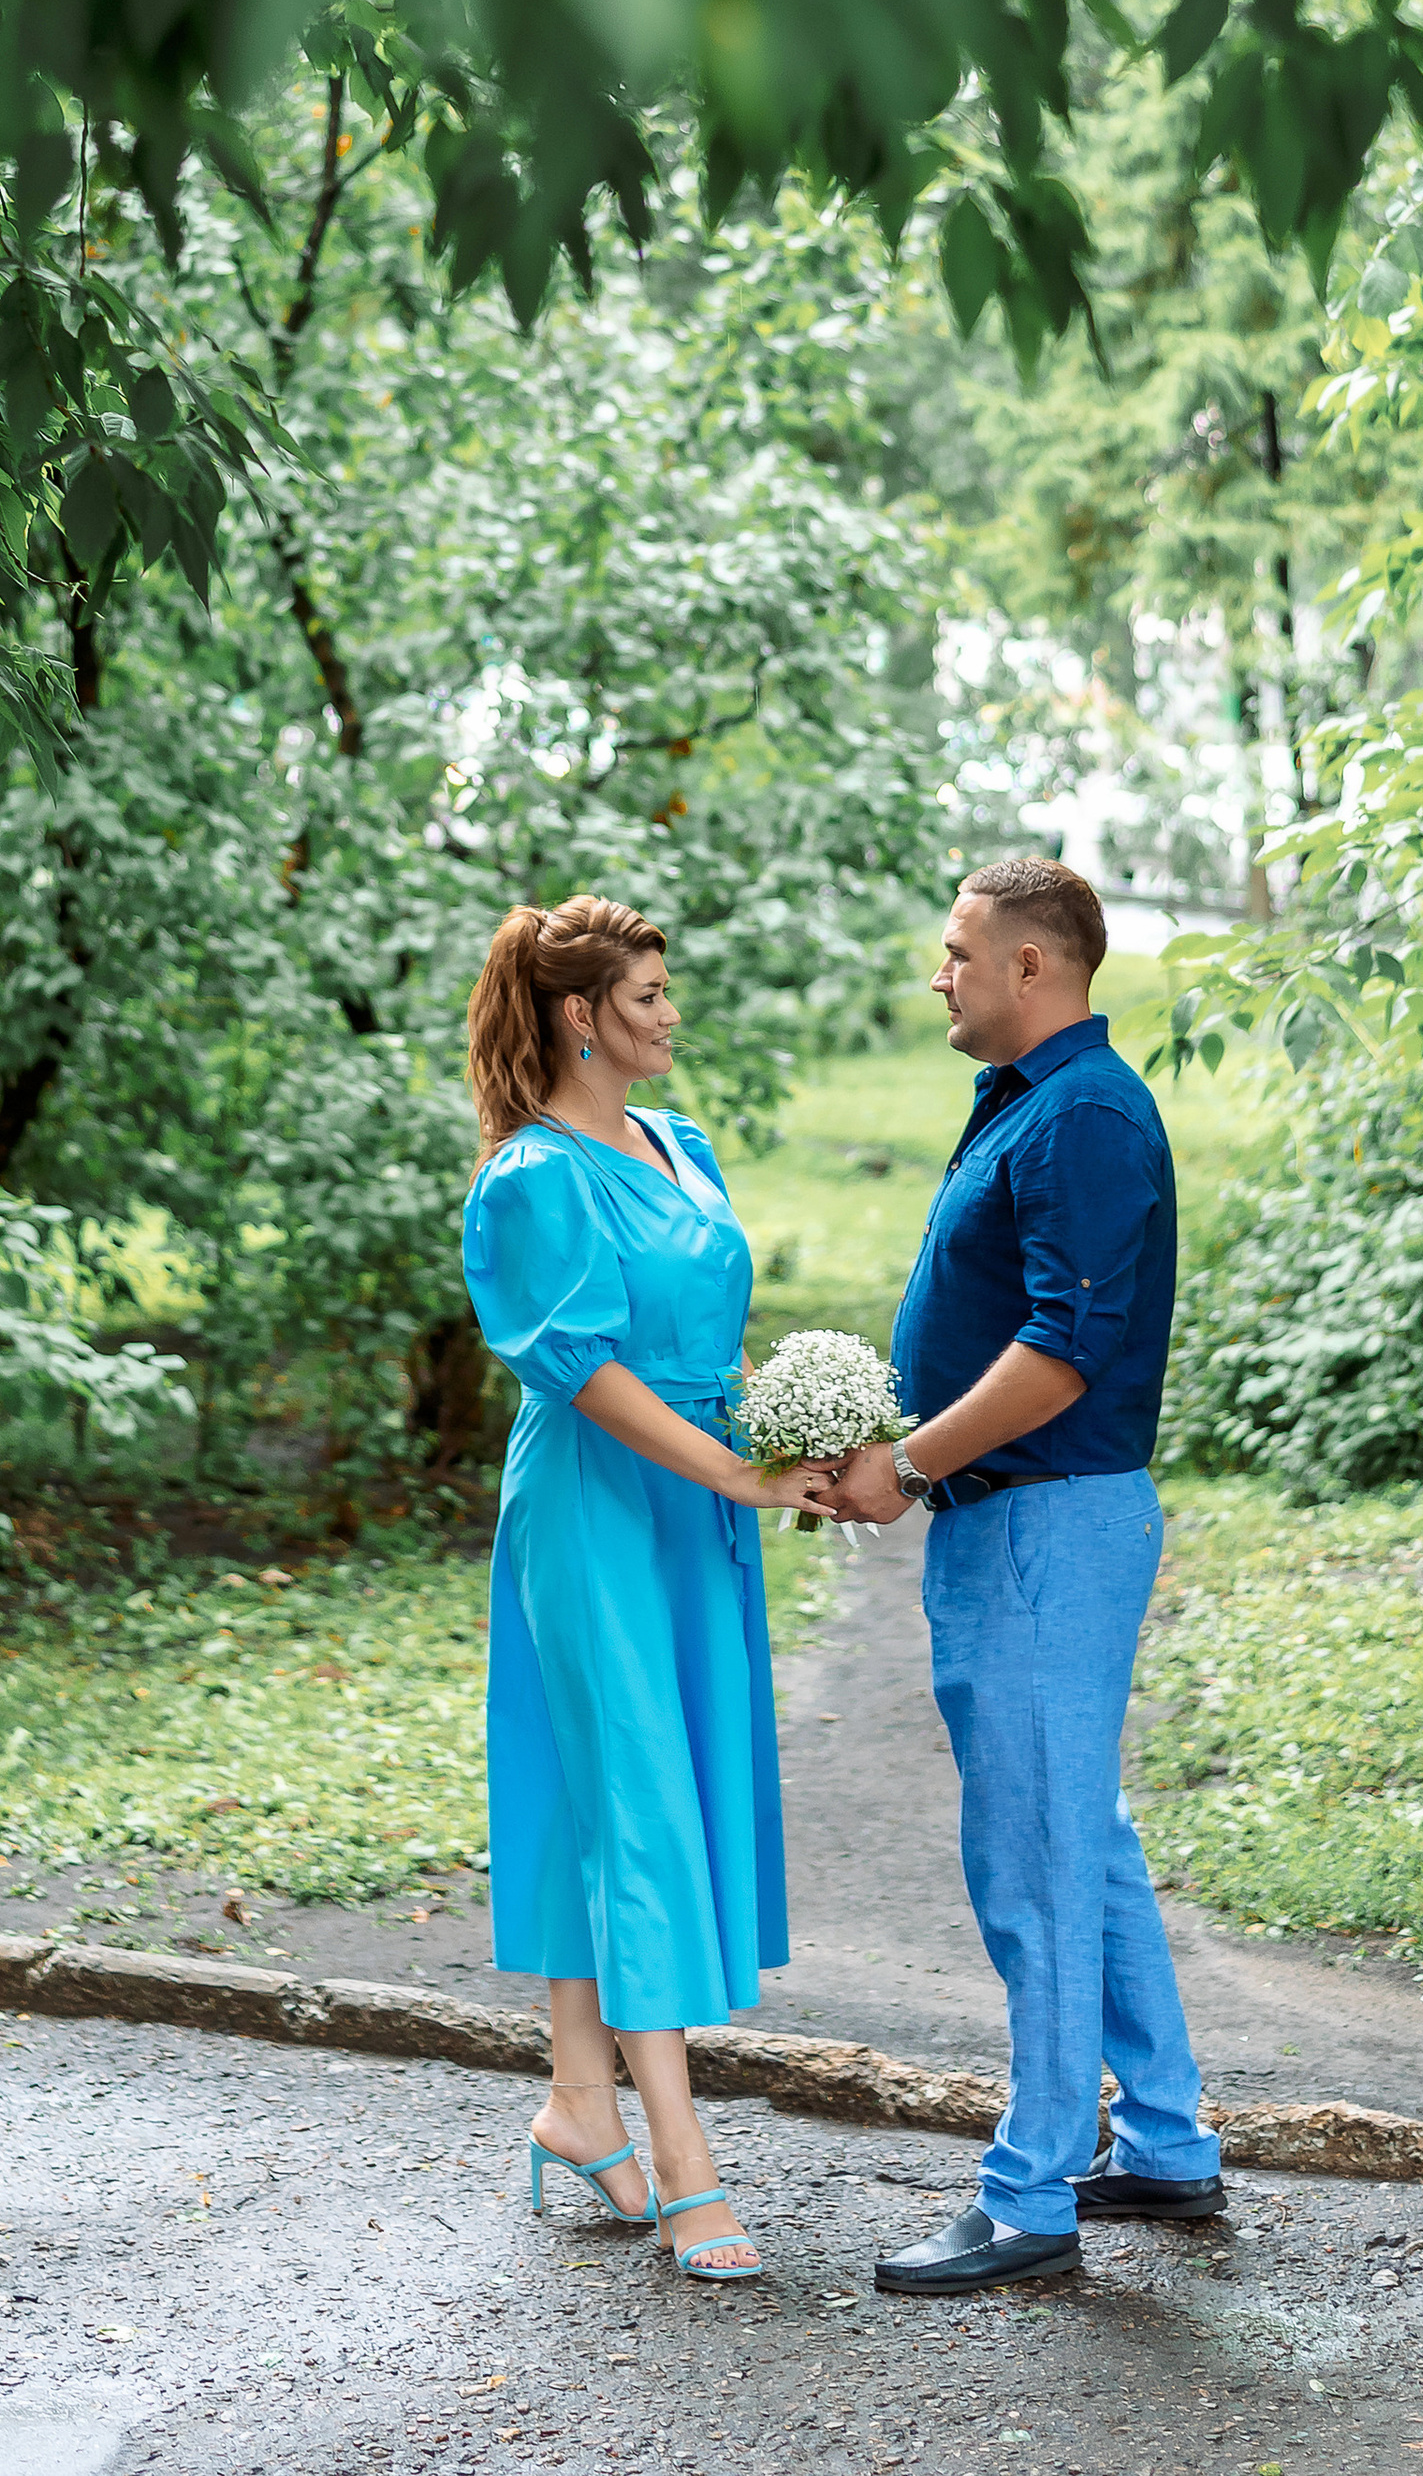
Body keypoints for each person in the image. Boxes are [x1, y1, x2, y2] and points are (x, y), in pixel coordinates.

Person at [825, 856, 1223, 2293]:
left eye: (955, 952)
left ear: (1032, 968)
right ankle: (1168, 2140)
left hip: (1050, 1523)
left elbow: (1062, 1351)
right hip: (1017, 1525)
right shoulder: (1032, 1102)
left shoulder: (1089, 1117)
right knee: (1082, 1843)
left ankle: (1028, 2197)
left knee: (1037, 1866)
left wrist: (911, 1460)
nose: (939, 973)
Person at [460, 896, 835, 2283]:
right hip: (598, 1500)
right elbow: (589, 1369)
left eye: (670, 990)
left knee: (602, 1793)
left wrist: (783, 1442)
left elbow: (703, 1332)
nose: (672, 1013)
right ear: (581, 1013)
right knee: (641, 1805)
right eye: (650, 993)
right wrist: (736, 1477)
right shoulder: (530, 1178)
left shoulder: (682, 1141)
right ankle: (684, 2161)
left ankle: (578, 2098)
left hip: (699, 1496)